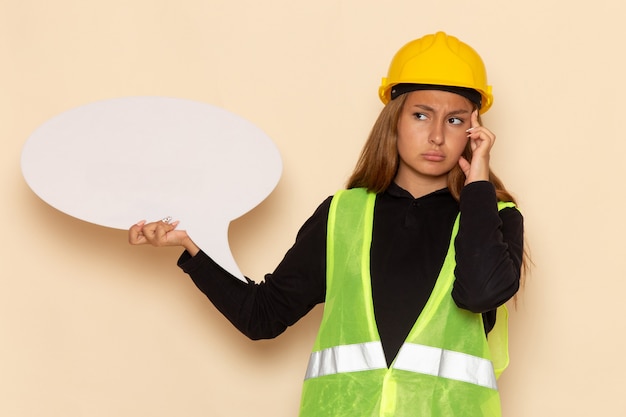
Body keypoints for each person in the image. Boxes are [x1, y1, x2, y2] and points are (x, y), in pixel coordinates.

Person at [129, 31, 526, 417]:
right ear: (394, 120)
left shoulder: (496, 218)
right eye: (421, 115)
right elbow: (261, 316)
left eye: (455, 121)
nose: (437, 136)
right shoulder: (342, 215)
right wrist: (191, 247)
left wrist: (477, 187)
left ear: (476, 132)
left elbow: (479, 293)